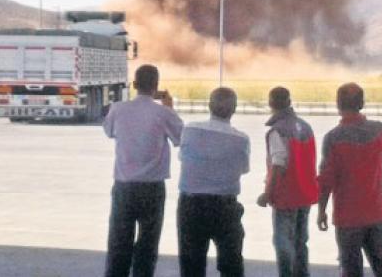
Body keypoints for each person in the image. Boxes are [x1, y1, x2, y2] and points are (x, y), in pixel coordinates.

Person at [103, 64, 184, 277]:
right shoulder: (163, 113)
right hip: (152, 188)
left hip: (124, 187)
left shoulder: (118, 109)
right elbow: (180, 138)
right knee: (148, 246)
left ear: (134, 85)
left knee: (118, 243)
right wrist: (169, 107)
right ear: (156, 86)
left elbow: (109, 132)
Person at [316, 83, 382, 277]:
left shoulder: (333, 138)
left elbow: (325, 180)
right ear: (362, 104)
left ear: (338, 104)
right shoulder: (378, 130)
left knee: (351, 270)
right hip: (377, 213)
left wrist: (321, 211)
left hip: (347, 218)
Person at [177, 87, 250, 277]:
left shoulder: (190, 130)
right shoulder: (241, 139)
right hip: (225, 207)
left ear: (209, 106)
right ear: (234, 109)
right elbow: (243, 169)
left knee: (191, 265)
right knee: (231, 264)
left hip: (191, 206)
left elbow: (182, 156)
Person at [257, 87, 319, 277]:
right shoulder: (305, 126)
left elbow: (278, 164)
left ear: (270, 103)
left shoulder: (278, 131)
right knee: (301, 242)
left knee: (283, 243)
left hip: (286, 197)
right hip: (305, 194)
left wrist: (267, 193)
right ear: (289, 101)